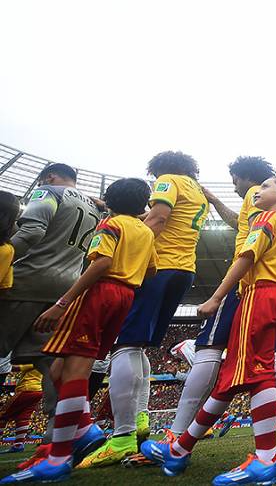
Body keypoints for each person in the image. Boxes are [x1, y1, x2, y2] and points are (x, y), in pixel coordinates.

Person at [140, 176, 276, 485]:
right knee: (237, 377)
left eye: (264, 187)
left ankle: (265, 460)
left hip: (260, 294)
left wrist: (216, 297)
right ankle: (181, 447)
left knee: (257, 373)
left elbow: (246, 256)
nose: (258, 191)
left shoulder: (267, 218)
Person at [1, 178, 157, 483]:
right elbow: (150, 270)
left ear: (109, 201)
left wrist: (63, 302)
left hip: (100, 293)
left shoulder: (110, 224)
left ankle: (58, 458)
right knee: (58, 368)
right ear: (142, 205)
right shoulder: (145, 231)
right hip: (125, 296)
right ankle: (85, 429)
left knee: (74, 370)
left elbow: (101, 264)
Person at [83, 152, 206, 467]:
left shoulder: (168, 181)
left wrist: (131, 242)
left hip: (158, 268)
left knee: (124, 343)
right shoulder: (197, 191)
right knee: (138, 345)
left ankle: (122, 437)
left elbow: (159, 218)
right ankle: (139, 420)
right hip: (183, 270)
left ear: (161, 170)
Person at [0, 165, 101, 470]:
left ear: (49, 176)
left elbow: (31, 232)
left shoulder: (48, 192)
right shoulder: (93, 208)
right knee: (49, 362)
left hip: (24, 282)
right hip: (63, 289)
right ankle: (58, 438)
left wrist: (6, 252)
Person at [0, 365, 43, 453]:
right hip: (38, 390)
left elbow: (17, 368)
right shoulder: (43, 362)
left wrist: (5, 365)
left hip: (27, 389)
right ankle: (18, 445)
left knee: (3, 414)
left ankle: (18, 445)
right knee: (23, 418)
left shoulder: (34, 361)